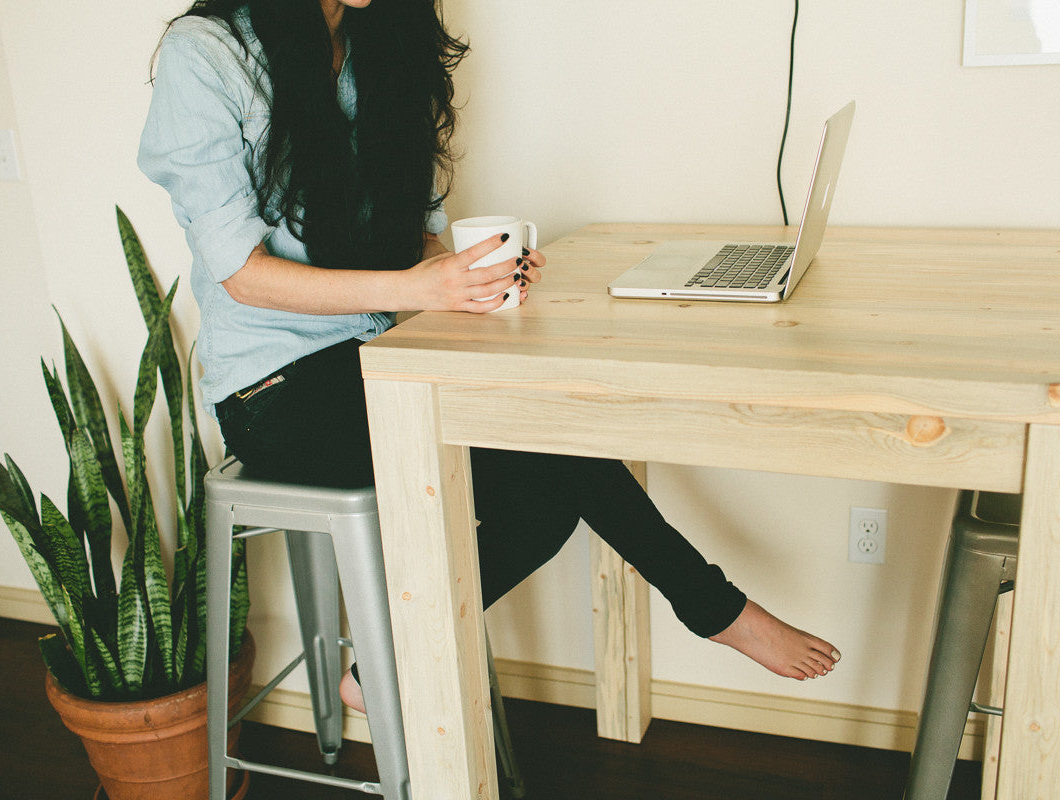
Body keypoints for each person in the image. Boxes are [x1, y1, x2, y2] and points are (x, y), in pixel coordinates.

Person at [139, 0, 840, 713]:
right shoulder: (208, 55)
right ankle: (714, 609)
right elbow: (242, 272)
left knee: (548, 468)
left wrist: (472, 275)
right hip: (275, 391)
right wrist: (420, 287)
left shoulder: (377, 41)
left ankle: (382, 663)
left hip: (383, 353)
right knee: (553, 451)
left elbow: (414, 234)